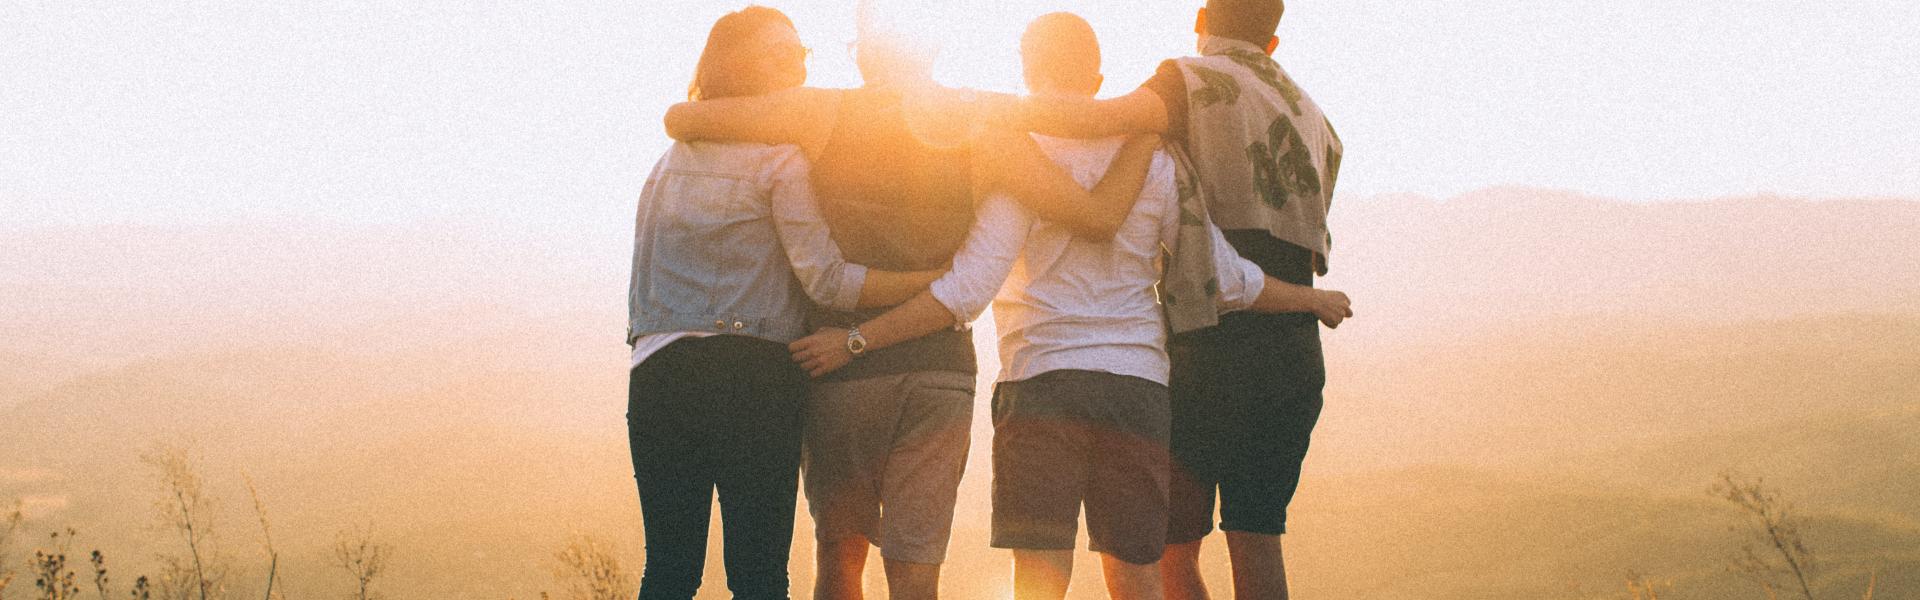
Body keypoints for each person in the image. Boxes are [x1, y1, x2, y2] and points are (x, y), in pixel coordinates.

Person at [786, 13, 1352, 600]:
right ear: (1099, 76)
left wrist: (859, 339)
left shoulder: (1017, 163)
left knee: (1039, 580)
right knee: (1137, 576)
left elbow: (966, 290)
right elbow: (1226, 279)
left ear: (1027, 71)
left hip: (1040, 384)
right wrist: (1312, 298)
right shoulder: (1155, 159)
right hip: (1136, 388)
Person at [661, 4, 1161, 599]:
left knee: (839, 565)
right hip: (938, 374)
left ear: (861, 51)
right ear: (932, 48)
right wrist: (1146, 132)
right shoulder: (982, 124)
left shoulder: (820, 111)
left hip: (840, 372)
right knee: (917, 575)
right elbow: (1095, 215)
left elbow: (683, 118)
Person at [997, 1, 1345, 598]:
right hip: (1291, 347)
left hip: (1205, 346)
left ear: (1201, 21)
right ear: (1275, 40)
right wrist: (1311, 302)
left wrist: (975, 110)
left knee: (1169, 557)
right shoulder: (1314, 116)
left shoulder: (1190, 79)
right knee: (1259, 540)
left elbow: (1097, 120)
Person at [625, 7, 948, 599]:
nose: (798, 66)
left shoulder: (666, 164)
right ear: (742, 65)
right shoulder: (781, 159)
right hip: (754, 376)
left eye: (802, 54)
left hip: (658, 375)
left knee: (668, 571)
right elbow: (826, 281)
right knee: (758, 574)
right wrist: (925, 280)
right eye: (782, 56)